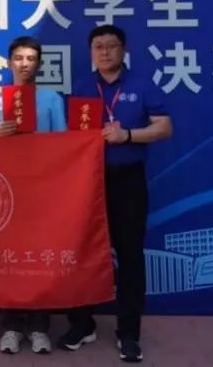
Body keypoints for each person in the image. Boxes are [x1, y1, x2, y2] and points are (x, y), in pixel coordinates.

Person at [57, 25, 172, 363]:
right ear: (91, 52)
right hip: (87, 181)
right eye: (98, 46)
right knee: (82, 251)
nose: (104, 52)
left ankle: (129, 333)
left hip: (127, 180)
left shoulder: (141, 85)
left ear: (124, 49)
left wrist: (128, 136)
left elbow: (165, 127)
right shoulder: (81, 87)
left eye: (111, 46)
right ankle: (82, 324)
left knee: (130, 255)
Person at [0, 36, 65, 355]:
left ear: (39, 63)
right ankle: (11, 327)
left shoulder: (51, 99)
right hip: (6, 189)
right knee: (9, 257)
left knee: (39, 258)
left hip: (41, 189)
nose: (24, 64)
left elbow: (64, 145)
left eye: (31, 58)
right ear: (9, 63)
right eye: (18, 58)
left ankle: (39, 327)